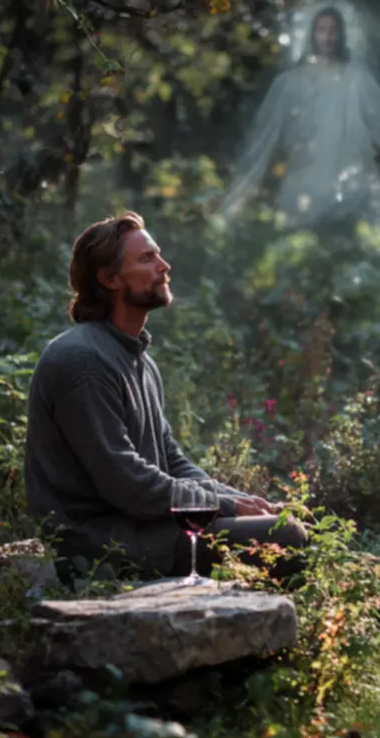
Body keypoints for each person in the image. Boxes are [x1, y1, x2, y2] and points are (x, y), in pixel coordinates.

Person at [23, 211, 308, 581]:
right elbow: (129, 485)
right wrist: (225, 506)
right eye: (147, 258)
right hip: (103, 541)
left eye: (158, 254)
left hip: (148, 526)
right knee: (284, 536)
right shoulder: (81, 360)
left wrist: (242, 502)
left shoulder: (138, 358)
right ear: (109, 279)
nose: (164, 265)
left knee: (296, 521)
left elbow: (171, 461)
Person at [218, 5, 380, 236]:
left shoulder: (356, 79)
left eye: (332, 30)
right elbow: (265, 138)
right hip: (302, 187)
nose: (327, 37)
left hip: (350, 188)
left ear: (340, 35)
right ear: (311, 34)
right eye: (321, 30)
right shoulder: (289, 83)